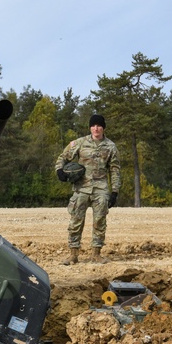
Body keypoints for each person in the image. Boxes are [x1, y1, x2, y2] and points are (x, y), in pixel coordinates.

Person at [55, 113, 121, 264]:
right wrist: (60, 171)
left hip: (101, 188)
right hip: (81, 188)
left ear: (103, 128)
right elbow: (62, 157)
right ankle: (73, 254)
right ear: (90, 127)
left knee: (100, 221)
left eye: (99, 126)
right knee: (76, 221)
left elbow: (115, 170)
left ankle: (96, 254)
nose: (96, 128)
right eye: (93, 125)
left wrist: (115, 191)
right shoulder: (79, 143)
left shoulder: (111, 147)